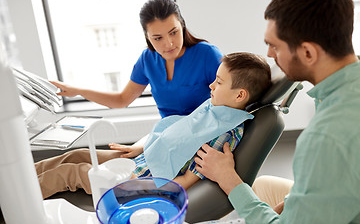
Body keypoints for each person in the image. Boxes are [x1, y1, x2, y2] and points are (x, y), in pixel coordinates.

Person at [195, 0, 360, 224]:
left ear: (307, 52)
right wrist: (295, 205)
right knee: (262, 187)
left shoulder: (326, 138)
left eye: (275, 46)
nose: (270, 54)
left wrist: (227, 178)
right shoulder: (344, 86)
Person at [35, 52, 271, 198]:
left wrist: (135, 188)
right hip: (141, 162)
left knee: (70, 173)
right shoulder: (215, 109)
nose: (211, 85)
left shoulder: (224, 134)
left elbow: (187, 181)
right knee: (79, 154)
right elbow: (178, 132)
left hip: (139, 181)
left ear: (240, 96)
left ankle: (14, 200)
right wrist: (142, 149)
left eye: (218, 82)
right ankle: (20, 179)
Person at [51, 0, 222, 119]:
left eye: (173, 32)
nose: (169, 44)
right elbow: (121, 100)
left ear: (182, 26)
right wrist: (79, 91)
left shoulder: (207, 55)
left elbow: (230, 104)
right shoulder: (147, 60)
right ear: (147, 37)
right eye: (158, 38)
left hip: (203, 137)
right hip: (168, 138)